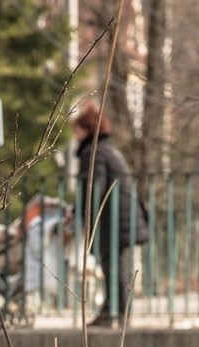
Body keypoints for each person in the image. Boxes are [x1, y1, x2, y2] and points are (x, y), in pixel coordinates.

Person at [70, 101, 147, 327]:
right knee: (114, 264)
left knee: (112, 264)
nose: (75, 135)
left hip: (113, 219)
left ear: (86, 129)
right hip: (122, 216)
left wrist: (81, 215)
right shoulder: (106, 149)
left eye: (77, 129)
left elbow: (92, 188)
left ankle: (115, 311)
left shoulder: (92, 152)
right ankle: (114, 310)